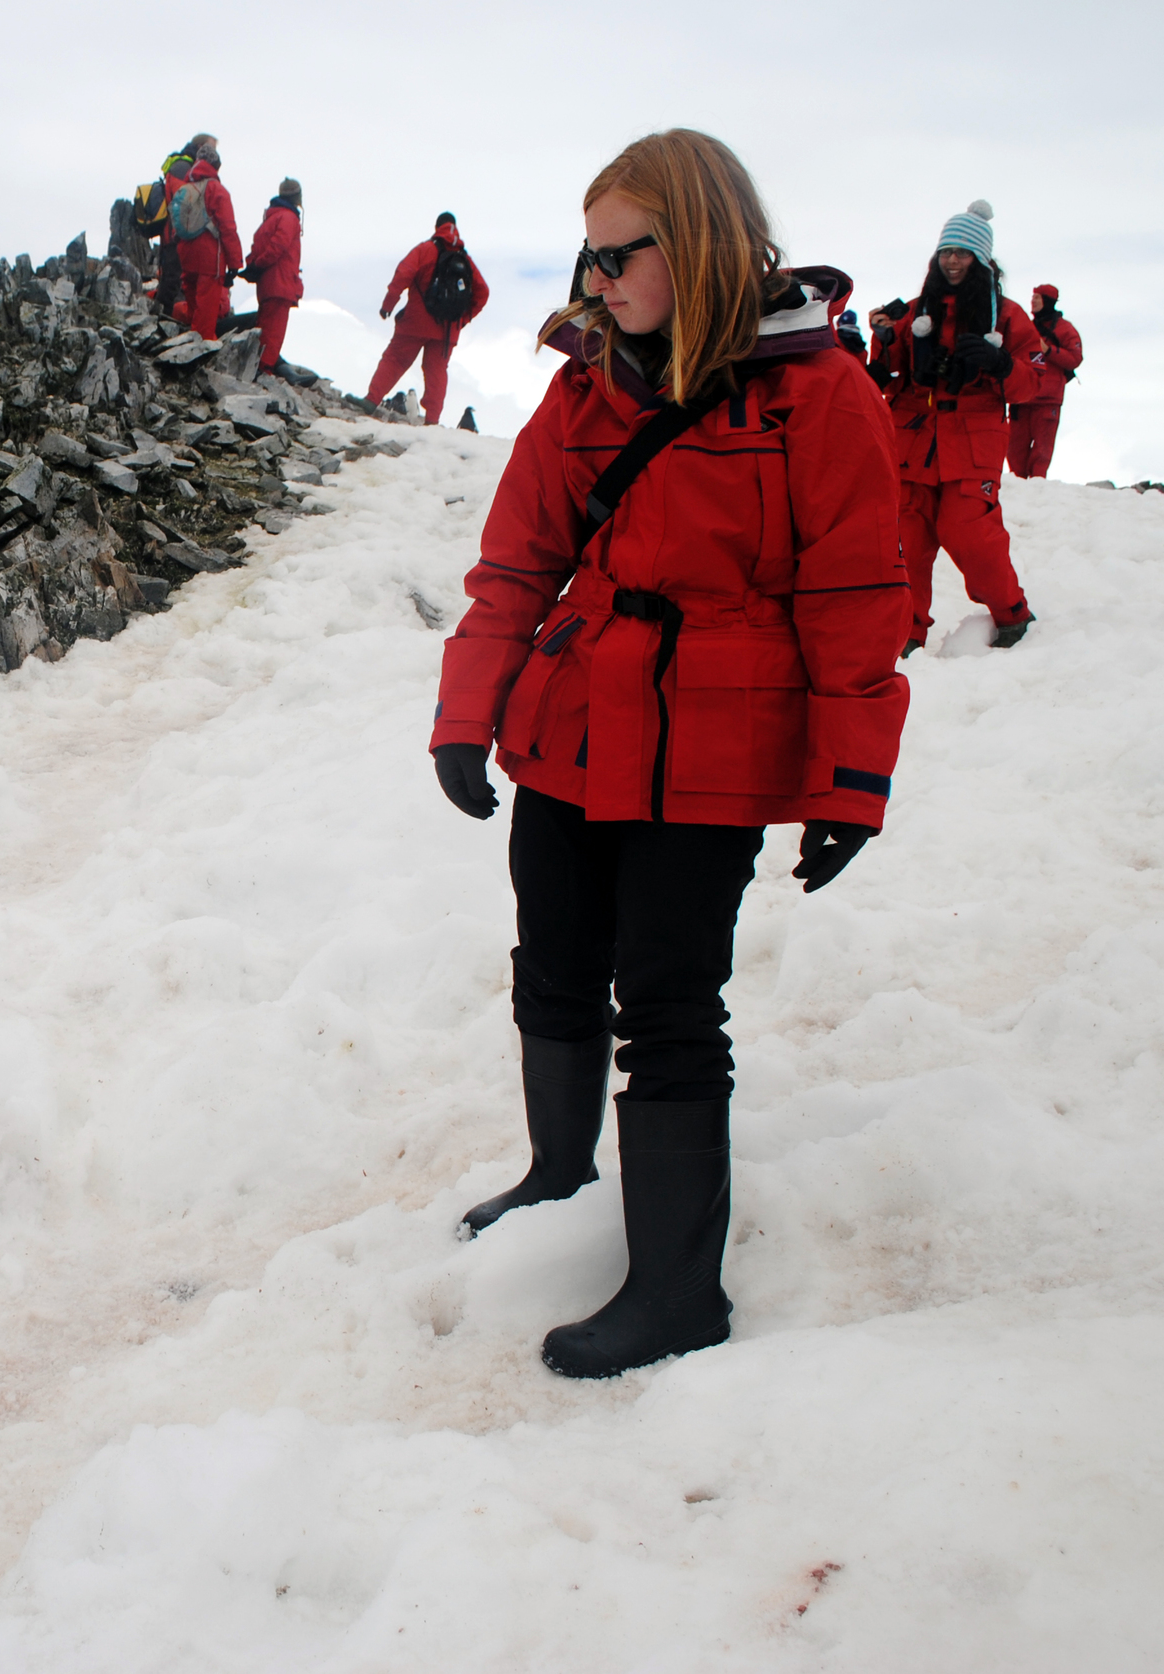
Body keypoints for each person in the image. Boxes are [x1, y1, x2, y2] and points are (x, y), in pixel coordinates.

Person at [428, 129, 907, 1380]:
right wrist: (466, 715)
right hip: (574, 726)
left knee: (671, 1001)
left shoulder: (819, 393)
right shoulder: (583, 386)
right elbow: (516, 565)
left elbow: (857, 599)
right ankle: (555, 1174)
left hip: (713, 747)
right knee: (556, 957)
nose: (592, 283)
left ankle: (676, 1290)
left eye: (614, 255)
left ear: (689, 243)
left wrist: (848, 781)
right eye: (582, 258)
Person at [867, 201, 1041, 652]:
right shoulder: (913, 311)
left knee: (971, 533)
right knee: (906, 541)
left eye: (963, 252)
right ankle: (904, 634)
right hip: (913, 439)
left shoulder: (1007, 316)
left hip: (971, 440)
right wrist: (883, 341)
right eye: (946, 252)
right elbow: (886, 373)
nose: (952, 260)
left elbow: (1032, 385)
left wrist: (1001, 362)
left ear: (981, 260)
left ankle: (1012, 615)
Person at [365, 212, 488, 425]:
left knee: (395, 360)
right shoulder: (465, 259)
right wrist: (463, 319)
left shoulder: (425, 250)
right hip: (447, 330)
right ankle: (432, 421)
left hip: (415, 322)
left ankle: (371, 400)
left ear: (437, 227)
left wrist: (388, 306)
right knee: (437, 372)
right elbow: (482, 292)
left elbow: (403, 274)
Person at [1008, 283, 1082, 478]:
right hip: (1021, 397)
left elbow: (1075, 358)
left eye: (1037, 298)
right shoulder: (1026, 327)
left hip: (1047, 399)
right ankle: (1019, 487)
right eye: (1033, 298)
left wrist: (1049, 350)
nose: (1032, 301)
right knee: (1014, 449)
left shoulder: (1065, 329)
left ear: (1048, 301)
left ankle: (1037, 487)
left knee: (1042, 451)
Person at [169, 147, 242, 344]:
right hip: (210, 258)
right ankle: (200, 352)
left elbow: (177, 225)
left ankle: (188, 341)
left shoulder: (186, 189)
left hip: (186, 254)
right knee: (206, 317)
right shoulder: (217, 190)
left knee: (193, 307)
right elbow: (228, 228)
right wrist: (235, 263)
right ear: (216, 166)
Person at [150, 135, 216, 319]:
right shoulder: (183, 167)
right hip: (176, 235)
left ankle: (164, 319)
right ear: (201, 146)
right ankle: (162, 322)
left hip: (177, 234)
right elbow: (183, 202)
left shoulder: (184, 166)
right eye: (211, 148)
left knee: (173, 279)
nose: (214, 154)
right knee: (172, 280)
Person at [243, 177, 304, 377]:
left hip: (268, 284)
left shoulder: (270, 218)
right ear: (297, 197)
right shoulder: (289, 218)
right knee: (274, 331)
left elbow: (258, 247)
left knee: (265, 326)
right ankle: (263, 370)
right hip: (281, 283)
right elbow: (278, 246)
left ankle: (258, 365)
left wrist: (253, 265)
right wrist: (260, 264)